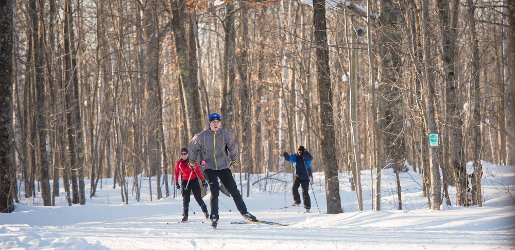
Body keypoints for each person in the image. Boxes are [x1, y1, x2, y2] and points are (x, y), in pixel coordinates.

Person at [188, 112, 257, 228]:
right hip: (208, 167)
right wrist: (192, 161)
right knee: (214, 189)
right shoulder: (201, 136)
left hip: (223, 166)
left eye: (217, 121)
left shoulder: (226, 135)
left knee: (234, 190)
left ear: (219, 123)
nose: (216, 124)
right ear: (209, 123)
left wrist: (234, 159)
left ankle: (245, 213)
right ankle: (214, 216)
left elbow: (232, 147)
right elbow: (192, 147)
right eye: (213, 122)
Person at [174, 148, 209, 222]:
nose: (183, 155)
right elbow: (176, 173)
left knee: (198, 198)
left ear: (187, 154)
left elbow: (198, 171)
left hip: (194, 181)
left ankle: (205, 212)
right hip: (185, 182)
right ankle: (185, 216)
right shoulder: (179, 163)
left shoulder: (192, 162)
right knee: (186, 199)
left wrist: (203, 180)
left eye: (185, 154)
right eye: (182, 154)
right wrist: (176, 182)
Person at [283, 146, 313, 212]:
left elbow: (310, 159)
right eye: (298, 151)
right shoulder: (296, 156)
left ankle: (307, 207)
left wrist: (304, 155)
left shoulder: (307, 155)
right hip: (298, 176)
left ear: (304, 151)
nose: (299, 152)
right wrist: (286, 156)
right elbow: (290, 158)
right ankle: (297, 201)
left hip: (305, 177)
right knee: (294, 188)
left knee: (305, 192)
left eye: (301, 151)